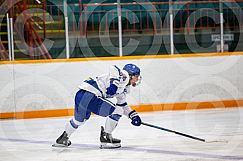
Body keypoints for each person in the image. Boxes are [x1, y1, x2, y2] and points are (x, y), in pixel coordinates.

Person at [54, 64, 142, 149]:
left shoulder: (124, 88)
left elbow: (122, 105)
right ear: (131, 75)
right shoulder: (124, 76)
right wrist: (114, 84)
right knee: (117, 111)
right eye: (137, 76)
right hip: (91, 95)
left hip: (81, 95)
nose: (137, 79)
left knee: (79, 121)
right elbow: (114, 67)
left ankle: (63, 138)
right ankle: (106, 137)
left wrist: (133, 115)